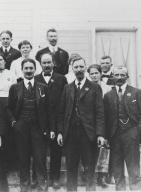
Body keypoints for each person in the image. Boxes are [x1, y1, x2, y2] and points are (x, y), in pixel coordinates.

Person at [57, 56, 105, 191]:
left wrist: (100, 134)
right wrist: (60, 132)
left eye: (81, 67)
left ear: (85, 67)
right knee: (71, 169)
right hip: (70, 134)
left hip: (88, 134)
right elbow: (62, 112)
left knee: (89, 169)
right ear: (72, 69)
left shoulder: (94, 88)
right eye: (76, 67)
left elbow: (100, 112)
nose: (79, 70)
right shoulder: (67, 88)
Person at [7, 58, 55, 192]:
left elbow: (49, 109)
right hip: (21, 129)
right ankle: (25, 188)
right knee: (23, 161)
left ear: (35, 70)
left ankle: (42, 188)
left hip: (39, 129)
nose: (28, 71)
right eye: (26, 68)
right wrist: (14, 123)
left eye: (31, 68)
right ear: (22, 70)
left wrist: (50, 128)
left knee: (40, 161)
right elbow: (9, 108)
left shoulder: (43, 87)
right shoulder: (15, 88)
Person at [103, 66, 141, 191]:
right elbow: (104, 117)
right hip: (114, 136)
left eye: (122, 75)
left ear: (127, 77)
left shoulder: (136, 92)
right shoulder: (108, 95)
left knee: (133, 169)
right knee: (117, 170)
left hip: (131, 134)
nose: (119, 78)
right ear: (113, 77)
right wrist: (107, 136)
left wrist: (137, 131)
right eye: (117, 75)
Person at [34, 53, 68, 189]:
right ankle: (37, 178)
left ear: (53, 63)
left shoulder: (61, 79)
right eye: (44, 63)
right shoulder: (35, 78)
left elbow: (65, 99)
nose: (47, 65)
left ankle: (55, 178)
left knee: (56, 150)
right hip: (39, 120)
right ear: (40, 64)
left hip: (57, 118)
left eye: (49, 62)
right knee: (37, 150)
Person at [87, 64, 111, 188]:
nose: (94, 75)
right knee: (90, 150)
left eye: (96, 73)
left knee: (103, 150)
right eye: (92, 73)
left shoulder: (107, 88)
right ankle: (89, 176)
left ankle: (102, 176)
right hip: (90, 123)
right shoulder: (87, 87)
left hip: (104, 121)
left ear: (100, 74)